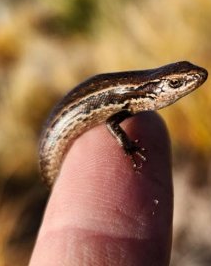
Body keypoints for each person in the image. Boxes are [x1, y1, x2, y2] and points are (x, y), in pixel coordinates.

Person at [30, 112, 173, 265]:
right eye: (174, 85)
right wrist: (127, 146)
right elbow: (111, 123)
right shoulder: (126, 107)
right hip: (51, 147)